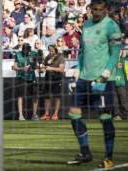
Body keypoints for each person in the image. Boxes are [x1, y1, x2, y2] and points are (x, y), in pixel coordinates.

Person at [67, 0, 122, 169]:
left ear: (105, 10)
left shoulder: (112, 26)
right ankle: (85, 152)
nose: (97, 13)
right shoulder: (86, 25)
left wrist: (106, 73)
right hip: (84, 78)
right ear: (90, 10)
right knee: (73, 114)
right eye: (94, 10)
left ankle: (109, 158)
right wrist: (77, 70)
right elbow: (83, 51)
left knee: (105, 117)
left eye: (100, 10)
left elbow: (115, 53)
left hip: (103, 80)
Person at [12, 43, 39, 120]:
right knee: (20, 95)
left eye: (28, 50)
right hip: (21, 77)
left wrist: (39, 67)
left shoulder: (34, 54)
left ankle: (34, 114)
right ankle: (20, 115)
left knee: (35, 95)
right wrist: (22, 69)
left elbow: (36, 66)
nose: (26, 52)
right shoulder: (18, 54)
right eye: (25, 50)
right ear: (23, 49)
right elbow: (14, 67)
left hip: (32, 77)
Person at [40, 45, 65, 120]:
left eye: (52, 50)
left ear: (56, 50)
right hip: (48, 78)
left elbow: (61, 69)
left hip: (57, 79)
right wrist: (41, 69)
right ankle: (47, 114)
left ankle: (55, 114)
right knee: (46, 97)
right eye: (50, 50)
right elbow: (43, 67)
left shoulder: (60, 57)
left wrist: (51, 68)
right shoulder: (47, 57)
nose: (51, 51)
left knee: (57, 97)